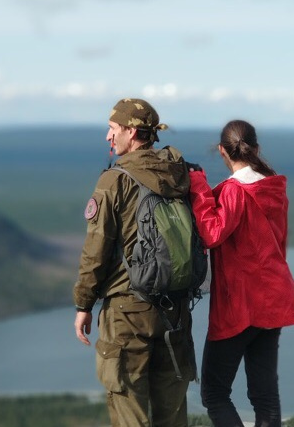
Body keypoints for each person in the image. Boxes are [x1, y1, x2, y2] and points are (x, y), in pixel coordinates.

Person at [73, 98, 196, 427]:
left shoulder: (115, 181)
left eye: (113, 129)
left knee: (130, 410)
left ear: (131, 131)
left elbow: (96, 250)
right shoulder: (180, 175)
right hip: (176, 311)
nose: (108, 137)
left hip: (128, 313)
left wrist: (83, 303)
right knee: (172, 413)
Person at [187, 119, 294, 427]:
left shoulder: (235, 193)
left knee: (214, 393)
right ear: (256, 149)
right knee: (264, 395)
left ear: (222, 152)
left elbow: (212, 233)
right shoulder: (274, 188)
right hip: (275, 300)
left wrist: (198, 185)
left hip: (240, 307)